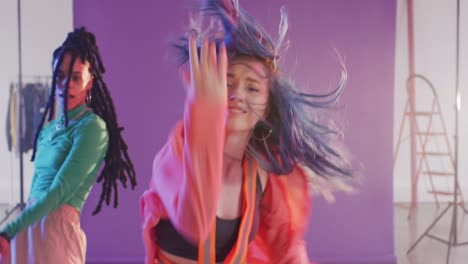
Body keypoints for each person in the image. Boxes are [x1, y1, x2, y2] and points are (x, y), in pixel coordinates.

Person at [140, 0, 356, 263]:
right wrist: (206, 115)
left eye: (252, 88)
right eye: (227, 82)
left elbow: (287, 248)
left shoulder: (264, 171)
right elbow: (195, 222)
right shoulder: (175, 153)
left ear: (266, 108)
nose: (237, 95)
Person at [0, 27, 137, 264]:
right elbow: (35, 192)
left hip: (57, 237)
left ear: (89, 82)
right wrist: (17, 233)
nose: (66, 84)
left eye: (75, 77)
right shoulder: (48, 129)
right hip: (27, 231)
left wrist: (9, 229)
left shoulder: (92, 128)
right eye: (60, 76)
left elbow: (59, 191)